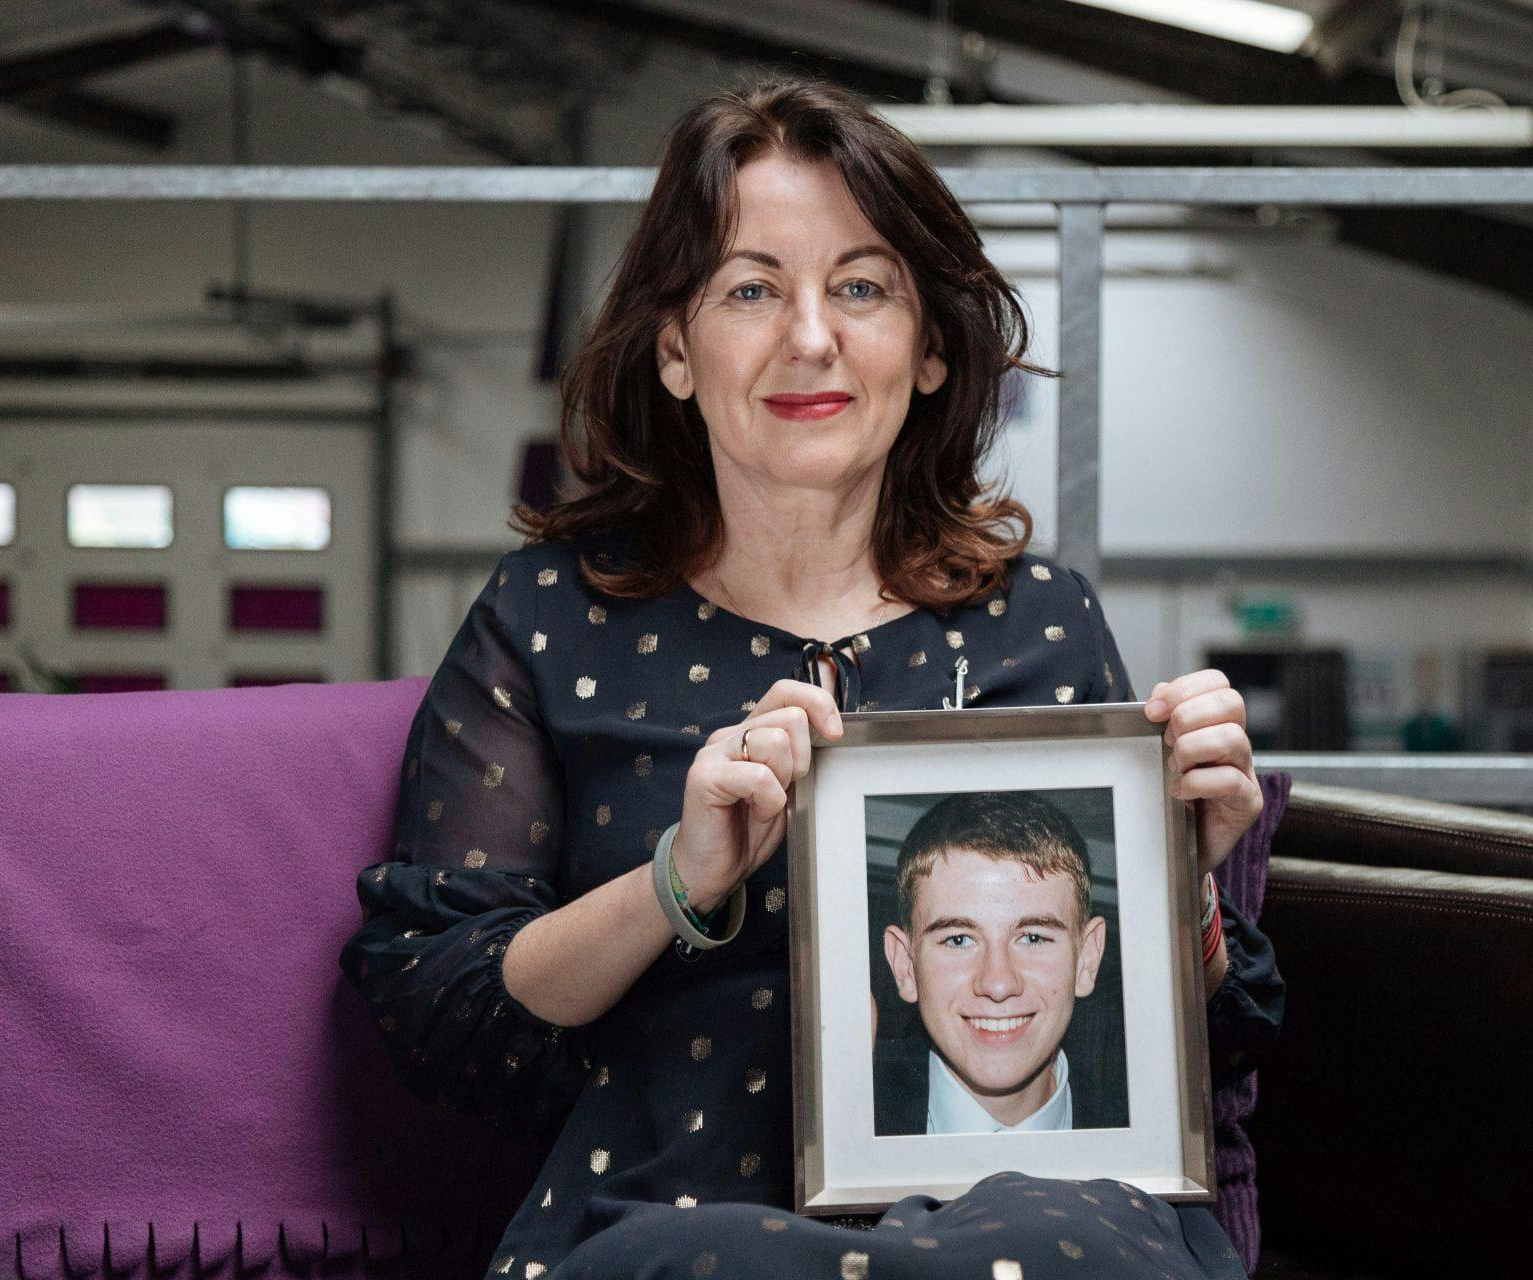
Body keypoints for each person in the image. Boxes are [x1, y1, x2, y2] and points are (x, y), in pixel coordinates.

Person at [339, 72, 1284, 1280]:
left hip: (1036, 1228)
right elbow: (440, 1008)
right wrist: (676, 883)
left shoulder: (1042, 623)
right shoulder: (549, 619)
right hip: (677, 1225)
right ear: (676, 349)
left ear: (932, 350)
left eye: (861, 286)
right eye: (750, 288)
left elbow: (1197, 1046)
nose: (810, 337)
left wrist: (1181, 884)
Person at [875, 791, 1115, 1136]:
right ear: (904, 966)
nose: (998, 984)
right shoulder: (839, 1134)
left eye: (1033, 937)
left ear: (1088, 958)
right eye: (958, 939)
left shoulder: (1154, 1143)